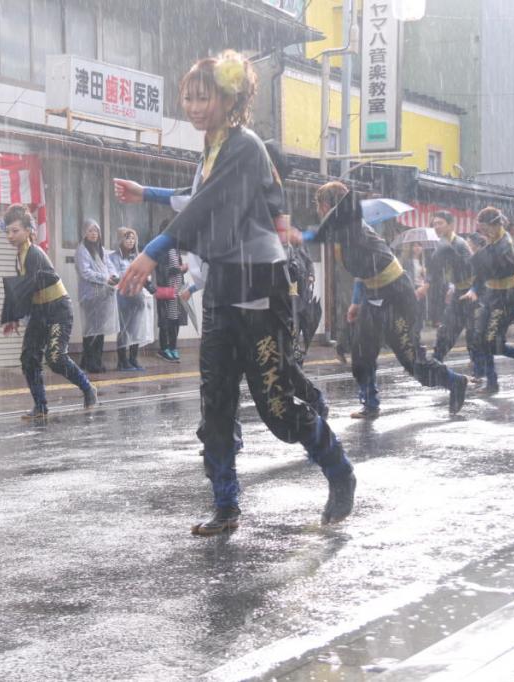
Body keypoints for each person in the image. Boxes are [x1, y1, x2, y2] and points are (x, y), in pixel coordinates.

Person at [113, 51, 355, 535]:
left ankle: (338, 470)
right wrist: (148, 194)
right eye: (189, 96)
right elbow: (198, 192)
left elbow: (205, 203)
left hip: (260, 286)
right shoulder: (215, 147)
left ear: (230, 99)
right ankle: (225, 504)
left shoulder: (245, 145)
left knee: (278, 409)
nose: (194, 105)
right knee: (216, 403)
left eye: (204, 96)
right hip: (224, 285)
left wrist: (152, 249)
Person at [306, 181, 468, 418]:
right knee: (361, 353)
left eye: (320, 205)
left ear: (328, 205)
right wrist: (356, 302)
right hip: (373, 295)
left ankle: (455, 382)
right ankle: (370, 404)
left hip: (397, 296)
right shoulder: (345, 228)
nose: (319, 211)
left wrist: (300, 235)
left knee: (412, 361)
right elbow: (364, 270)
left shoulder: (349, 225)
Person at [0, 204, 97, 417]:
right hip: (39, 311)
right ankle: (40, 406)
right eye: (7, 231)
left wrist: (13, 314)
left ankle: (88, 388)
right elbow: (24, 289)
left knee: (54, 357)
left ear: (28, 231)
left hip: (58, 309)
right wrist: (14, 316)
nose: (10, 235)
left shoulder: (34, 253)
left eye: (15, 231)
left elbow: (27, 287)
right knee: (29, 358)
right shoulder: (20, 256)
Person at [459, 207, 514, 394]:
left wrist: (484, 256)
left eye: (486, 228)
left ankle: (493, 382)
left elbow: (508, 268)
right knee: (483, 340)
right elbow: (481, 276)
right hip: (490, 296)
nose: (484, 233)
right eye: (481, 229)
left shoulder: (507, 244)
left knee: (489, 341)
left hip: (507, 297)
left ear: (496, 225)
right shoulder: (490, 246)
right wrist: (473, 290)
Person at [419, 210, 482, 381]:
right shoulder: (440, 243)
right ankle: (435, 365)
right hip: (457, 293)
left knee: (472, 334)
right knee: (446, 331)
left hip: (471, 293)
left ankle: (479, 371)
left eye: (440, 223)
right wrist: (428, 283)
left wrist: (450, 254)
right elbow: (434, 268)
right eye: (434, 224)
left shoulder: (460, 244)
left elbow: (470, 268)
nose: (436, 227)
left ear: (451, 225)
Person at [107, 227, 155, 371]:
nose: (130, 241)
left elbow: (145, 274)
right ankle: (122, 361)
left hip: (137, 297)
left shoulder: (138, 256)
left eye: (133, 238)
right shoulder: (114, 257)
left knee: (136, 329)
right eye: (127, 238)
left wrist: (147, 282)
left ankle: (133, 359)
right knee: (123, 329)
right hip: (123, 297)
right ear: (121, 239)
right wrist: (131, 278)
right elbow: (116, 276)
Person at [75, 219, 118, 374]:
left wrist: (114, 276)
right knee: (92, 329)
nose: (93, 234)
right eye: (90, 231)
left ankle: (90, 360)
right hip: (90, 295)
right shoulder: (82, 250)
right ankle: (93, 362)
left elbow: (110, 266)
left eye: (96, 231)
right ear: (84, 233)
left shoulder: (101, 249)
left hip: (103, 295)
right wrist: (104, 278)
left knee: (98, 329)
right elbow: (85, 272)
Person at [152, 218, 187, 363]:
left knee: (175, 320)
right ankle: (164, 348)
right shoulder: (160, 247)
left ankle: (173, 347)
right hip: (166, 289)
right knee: (165, 320)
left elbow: (176, 269)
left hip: (177, 289)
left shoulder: (175, 247)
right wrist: (178, 269)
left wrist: (181, 270)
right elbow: (161, 270)